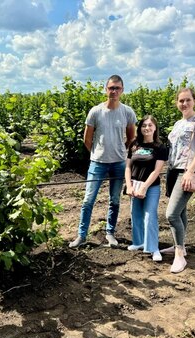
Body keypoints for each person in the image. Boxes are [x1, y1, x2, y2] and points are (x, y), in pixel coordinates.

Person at [69, 75, 137, 248]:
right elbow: (87, 138)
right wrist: (97, 153)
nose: (114, 91)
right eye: (111, 88)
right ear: (105, 89)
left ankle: (110, 233)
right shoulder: (95, 112)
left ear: (122, 90)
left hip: (119, 163)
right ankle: (81, 235)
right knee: (88, 200)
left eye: (117, 88)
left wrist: (120, 150)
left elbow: (131, 137)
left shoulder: (127, 112)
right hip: (97, 163)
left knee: (114, 200)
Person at [161, 87, 195, 273]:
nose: (184, 104)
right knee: (180, 212)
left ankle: (180, 256)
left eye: (188, 100)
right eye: (181, 101)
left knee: (171, 214)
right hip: (173, 171)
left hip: (187, 172)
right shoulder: (177, 124)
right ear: (177, 103)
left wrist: (190, 172)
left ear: (194, 101)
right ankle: (178, 245)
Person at [125, 115, 168, 261]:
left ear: (155, 128)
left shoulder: (160, 148)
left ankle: (153, 248)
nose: (147, 128)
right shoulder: (134, 145)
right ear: (140, 128)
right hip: (135, 185)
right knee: (135, 214)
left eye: (150, 125)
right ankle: (138, 242)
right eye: (144, 125)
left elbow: (157, 171)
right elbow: (128, 167)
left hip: (151, 187)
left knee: (150, 216)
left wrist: (144, 187)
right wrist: (129, 186)